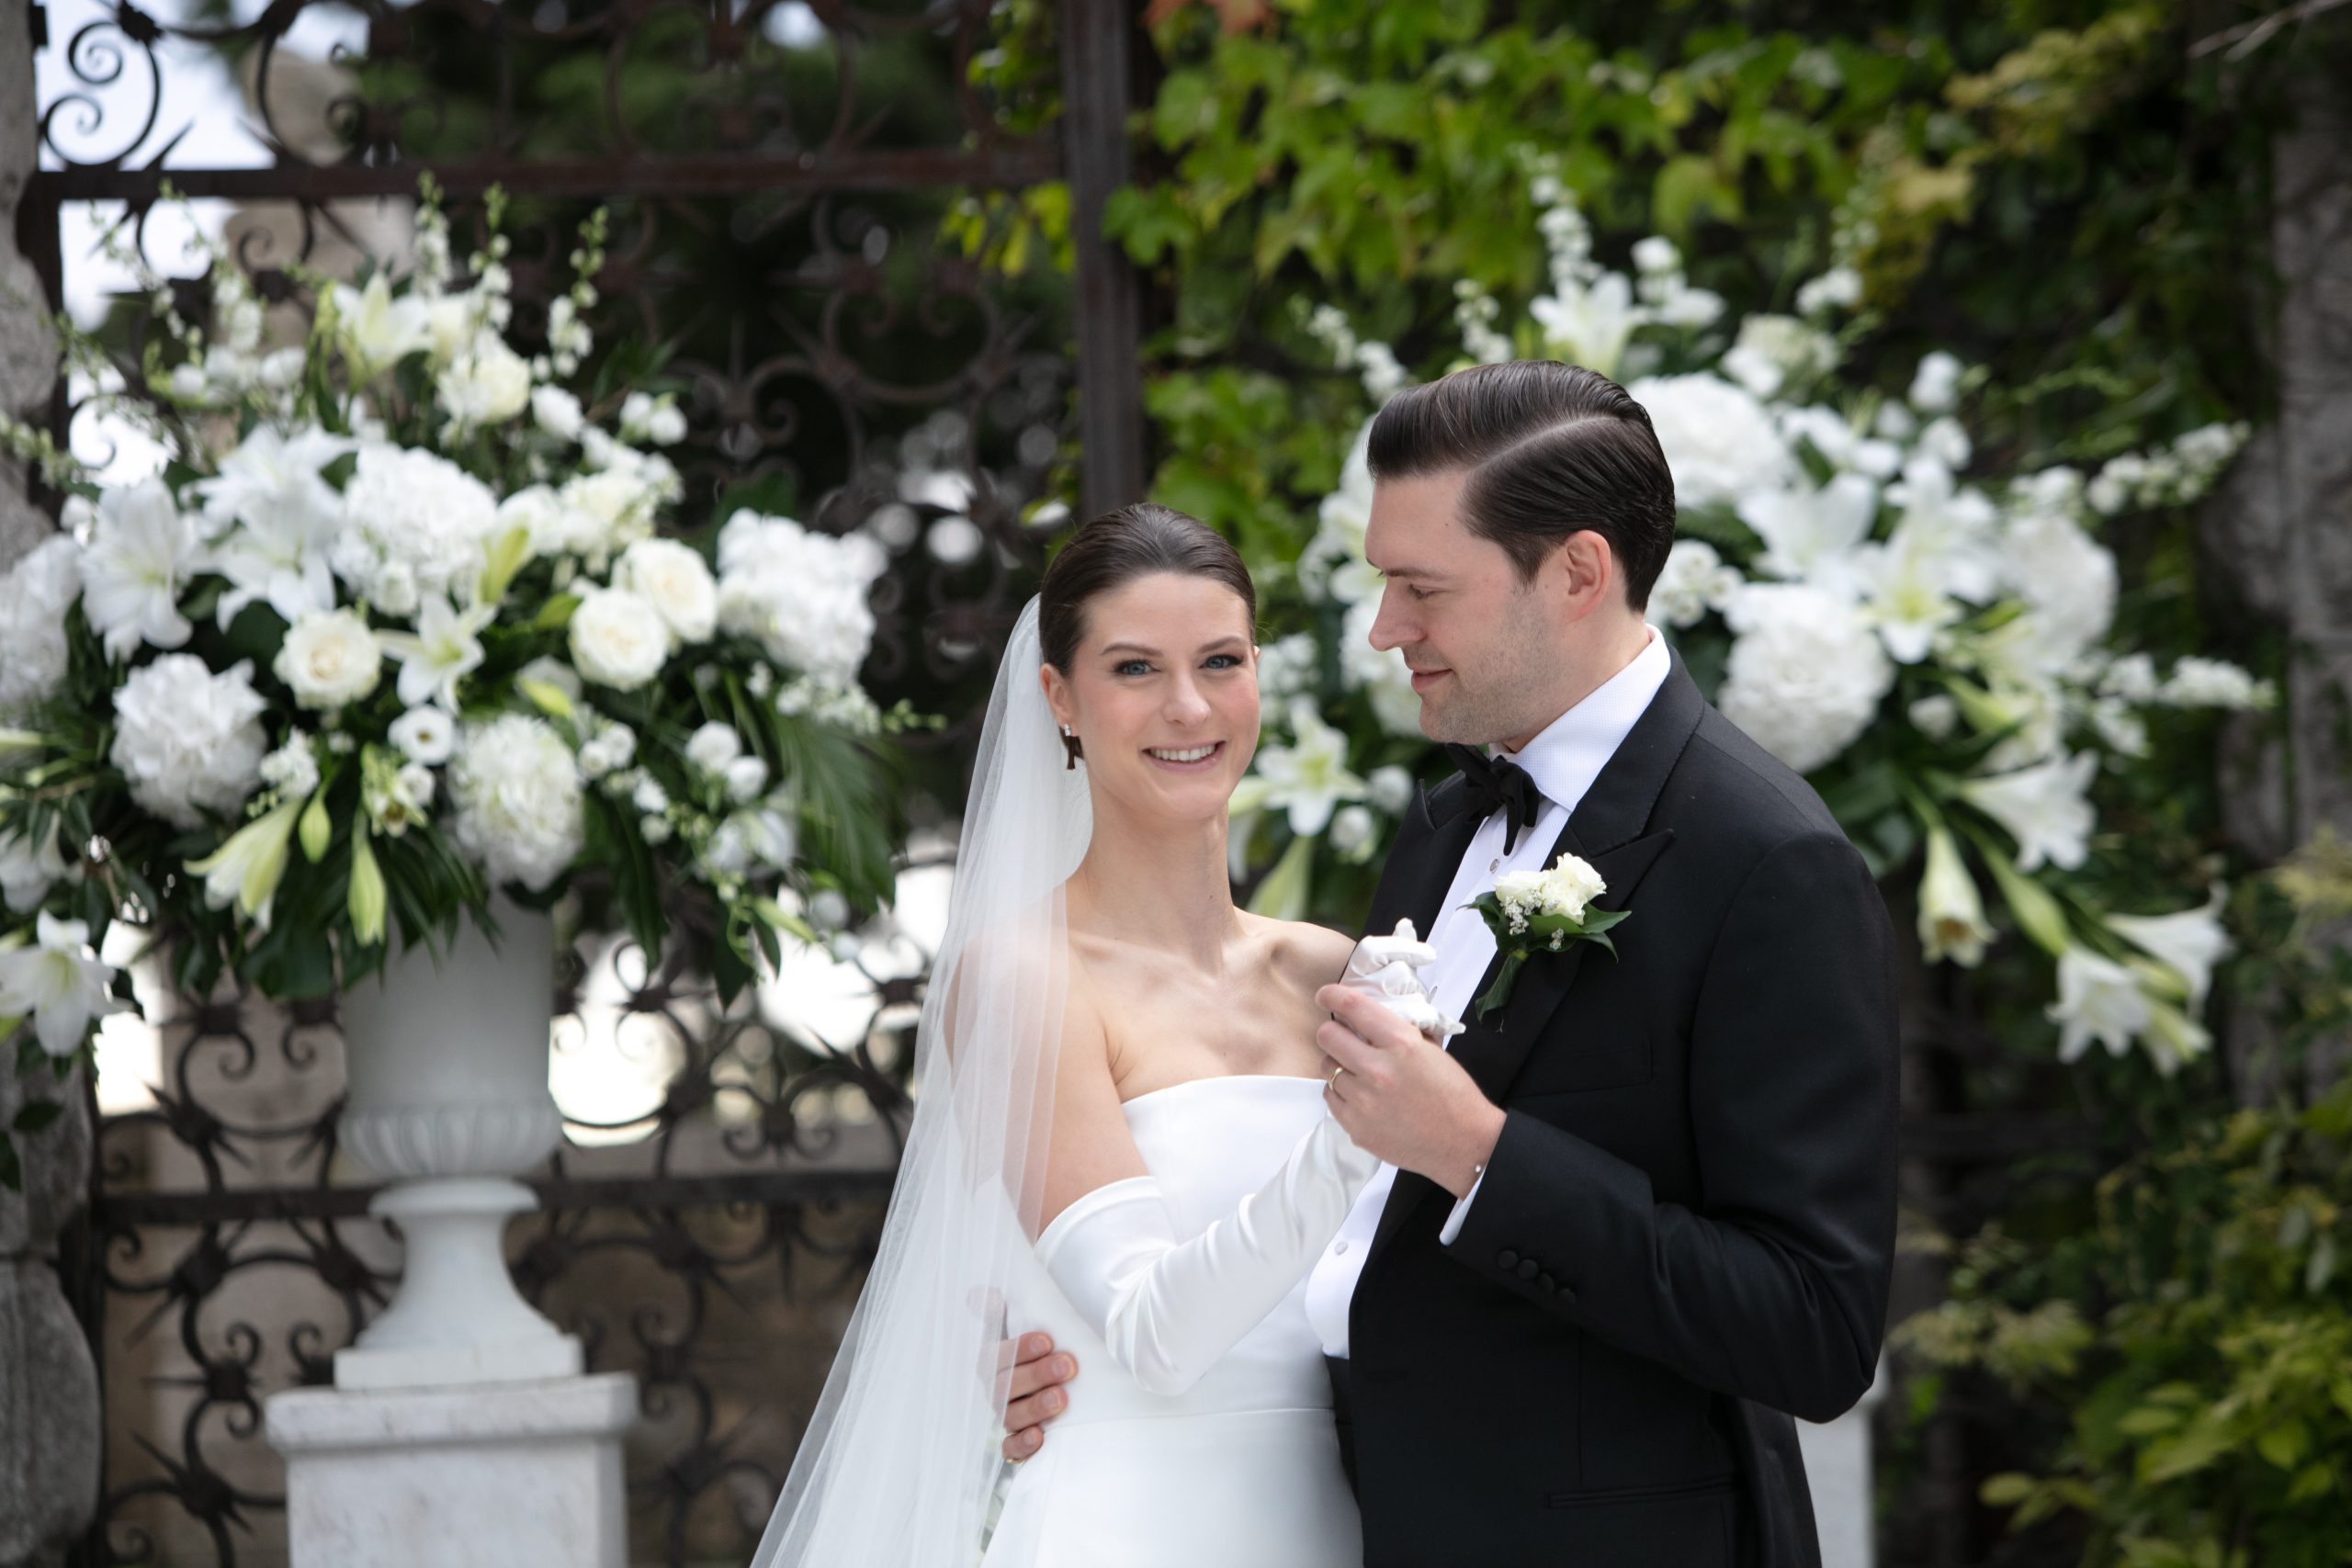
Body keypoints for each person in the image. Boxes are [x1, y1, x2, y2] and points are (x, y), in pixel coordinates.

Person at [1004, 361, 1901, 1568]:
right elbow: (1346, 1248)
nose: (1384, 629)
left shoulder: (1769, 861)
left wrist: (1483, 1153)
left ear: (1577, 574)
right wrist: (1063, 1355)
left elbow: (1814, 1327)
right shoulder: (1443, 826)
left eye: (1421, 587)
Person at [752, 502, 1441, 1568]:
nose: (1187, 706)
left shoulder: (1333, 973)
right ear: (1059, 699)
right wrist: (1362, 1127)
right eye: (1133, 669)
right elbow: (1156, 1339)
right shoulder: (1023, 978)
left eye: (1220, 661)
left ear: (1258, 675)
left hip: (1339, 1522)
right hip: (1126, 1527)